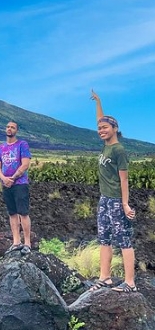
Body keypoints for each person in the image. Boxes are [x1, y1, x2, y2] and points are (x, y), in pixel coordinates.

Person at [89, 89, 137, 293]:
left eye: (105, 128)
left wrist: (125, 204)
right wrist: (98, 102)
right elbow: (102, 119)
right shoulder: (106, 145)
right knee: (104, 237)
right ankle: (105, 277)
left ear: (115, 129)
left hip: (117, 200)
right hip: (104, 199)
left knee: (124, 239)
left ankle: (130, 283)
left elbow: (124, 179)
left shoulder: (118, 150)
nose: (101, 130)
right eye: (99, 128)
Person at [0, 121, 32, 255]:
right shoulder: (0, 148)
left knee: (23, 213)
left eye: (13, 127)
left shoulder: (22, 145)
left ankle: (27, 243)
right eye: (8, 127)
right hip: (6, 184)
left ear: (16, 130)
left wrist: (13, 178)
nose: (9, 129)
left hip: (20, 183)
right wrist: (4, 178)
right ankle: (16, 242)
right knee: (12, 213)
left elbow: (25, 164)